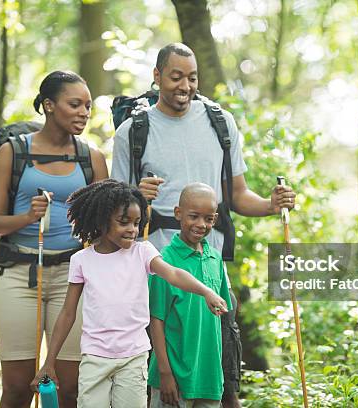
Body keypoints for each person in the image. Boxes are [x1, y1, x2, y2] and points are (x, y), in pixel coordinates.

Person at [111, 43, 296, 407]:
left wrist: (271, 206)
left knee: (221, 369)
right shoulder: (132, 132)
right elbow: (116, 212)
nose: (185, 85)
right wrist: (135, 195)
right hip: (156, 262)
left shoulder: (220, 123)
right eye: (176, 76)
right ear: (157, 77)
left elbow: (238, 195)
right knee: (163, 370)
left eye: (192, 77)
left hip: (210, 261)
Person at [30, 179, 228, 408]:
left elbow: (173, 274)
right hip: (95, 358)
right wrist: (49, 362)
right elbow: (67, 314)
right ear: (102, 222)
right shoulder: (81, 260)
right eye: (124, 222)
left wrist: (206, 292)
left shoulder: (143, 252)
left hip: (134, 358)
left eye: (136, 222)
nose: (132, 230)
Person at [0, 70, 108, 408]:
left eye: (88, 106)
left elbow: (105, 232)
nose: (84, 112)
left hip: (74, 280)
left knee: (69, 389)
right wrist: (28, 217)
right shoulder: (13, 153)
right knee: (17, 389)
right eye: (75, 104)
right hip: (17, 276)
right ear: (49, 105)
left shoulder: (92, 158)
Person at [149, 183, 233, 408]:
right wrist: (165, 373)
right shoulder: (163, 262)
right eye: (193, 216)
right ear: (178, 213)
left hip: (209, 377)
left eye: (208, 219)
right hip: (173, 378)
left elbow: (223, 317)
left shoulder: (216, 259)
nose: (201, 225)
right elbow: (155, 321)